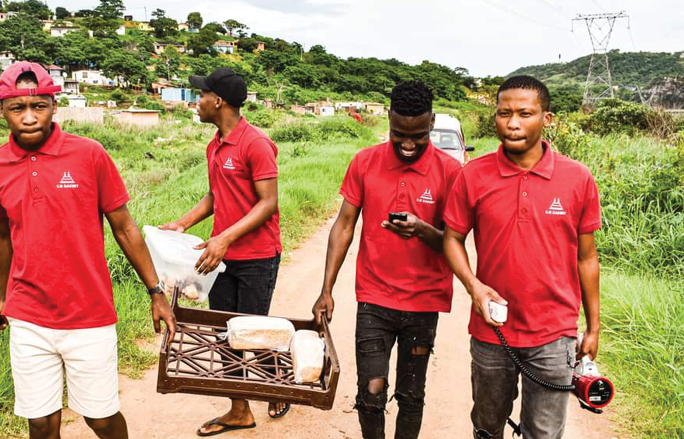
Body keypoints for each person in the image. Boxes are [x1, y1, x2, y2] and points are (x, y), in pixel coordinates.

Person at [0, 61, 176, 439]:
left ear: (54, 105)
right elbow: (1, 236)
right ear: (1, 110)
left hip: (89, 313)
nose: (29, 117)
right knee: (41, 422)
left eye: (39, 106)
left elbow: (124, 227)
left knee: (100, 418)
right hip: (28, 314)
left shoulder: (89, 154)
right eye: (18, 108)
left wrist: (156, 291)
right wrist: (3, 298)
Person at [442, 75, 601, 439]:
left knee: (544, 433)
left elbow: (587, 258)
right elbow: (452, 238)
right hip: (492, 330)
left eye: (525, 113)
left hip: (554, 333)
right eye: (504, 113)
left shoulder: (578, 178)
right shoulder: (473, 175)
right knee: (486, 426)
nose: (512, 123)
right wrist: (474, 286)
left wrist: (592, 326)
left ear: (547, 118)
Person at [312, 80, 462, 439]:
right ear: (389, 121)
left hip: (424, 303)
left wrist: (423, 231)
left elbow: (455, 244)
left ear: (431, 123)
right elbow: (344, 225)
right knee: (371, 392)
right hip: (374, 301)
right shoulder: (365, 162)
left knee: (412, 395)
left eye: (418, 136)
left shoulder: (451, 173)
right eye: (399, 135)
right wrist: (326, 289)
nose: (408, 145)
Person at [158, 68, 287, 436]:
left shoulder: (256, 144)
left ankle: (274, 381)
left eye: (201, 96)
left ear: (219, 101)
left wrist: (224, 238)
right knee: (224, 333)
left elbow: (268, 203)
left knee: (253, 332)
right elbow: (215, 196)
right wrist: (182, 224)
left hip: (257, 256)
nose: (196, 102)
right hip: (222, 258)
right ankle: (240, 410)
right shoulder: (214, 144)